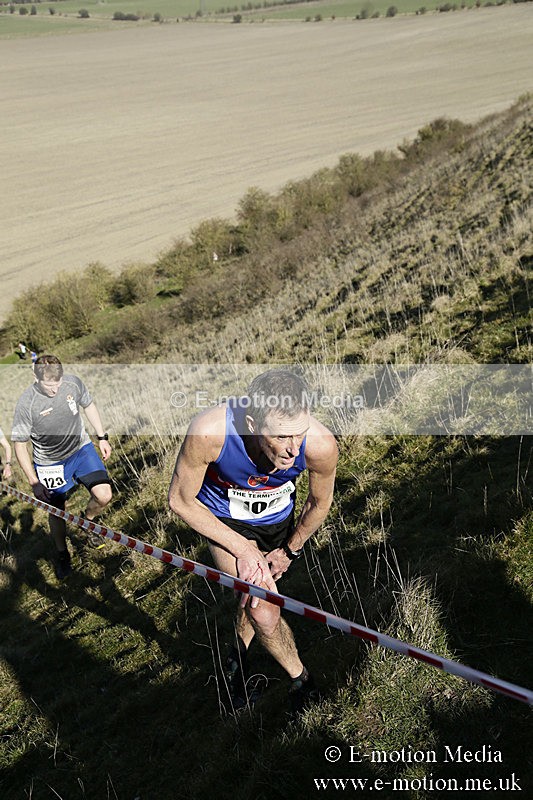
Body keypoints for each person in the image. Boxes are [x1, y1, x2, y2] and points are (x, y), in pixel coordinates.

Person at [168, 369, 338, 713]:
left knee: (251, 603)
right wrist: (243, 548)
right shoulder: (210, 432)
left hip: (279, 526)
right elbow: (180, 500)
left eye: (299, 433)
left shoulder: (319, 444)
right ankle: (303, 682)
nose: (293, 450)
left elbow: (319, 504)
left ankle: (235, 661)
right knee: (261, 609)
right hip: (226, 525)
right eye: (281, 436)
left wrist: (290, 549)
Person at [11, 355, 113, 579]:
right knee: (57, 512)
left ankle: (88, 522)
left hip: (81, 449)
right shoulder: (26, 404)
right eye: (49, 384)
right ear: (35, 378)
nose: (55, 388)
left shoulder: (72, 383)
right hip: (50, 463)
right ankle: (62, 553)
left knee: (104, 495)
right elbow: (19, 446)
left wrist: (102, 436)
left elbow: (89, 405)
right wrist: (33, 481)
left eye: (58, 382)